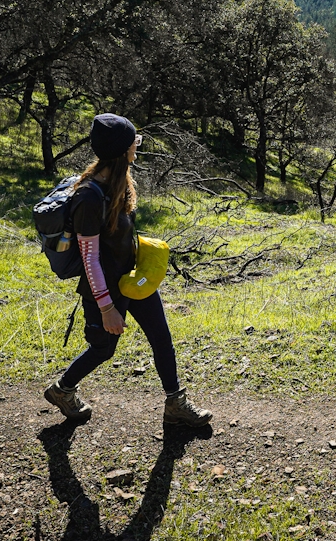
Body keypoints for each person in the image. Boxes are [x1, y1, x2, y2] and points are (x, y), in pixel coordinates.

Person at [44, 113, 212, 427]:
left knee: (161, 338)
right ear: (122, 151)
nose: (137, 147)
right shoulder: (89, 197)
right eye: (134, 143)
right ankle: (62, 389)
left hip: (133, 278)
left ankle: (175, 403)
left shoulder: (118, 182)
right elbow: (90, 258)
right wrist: (107, 308)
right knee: (103, 350)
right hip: (104, 290)